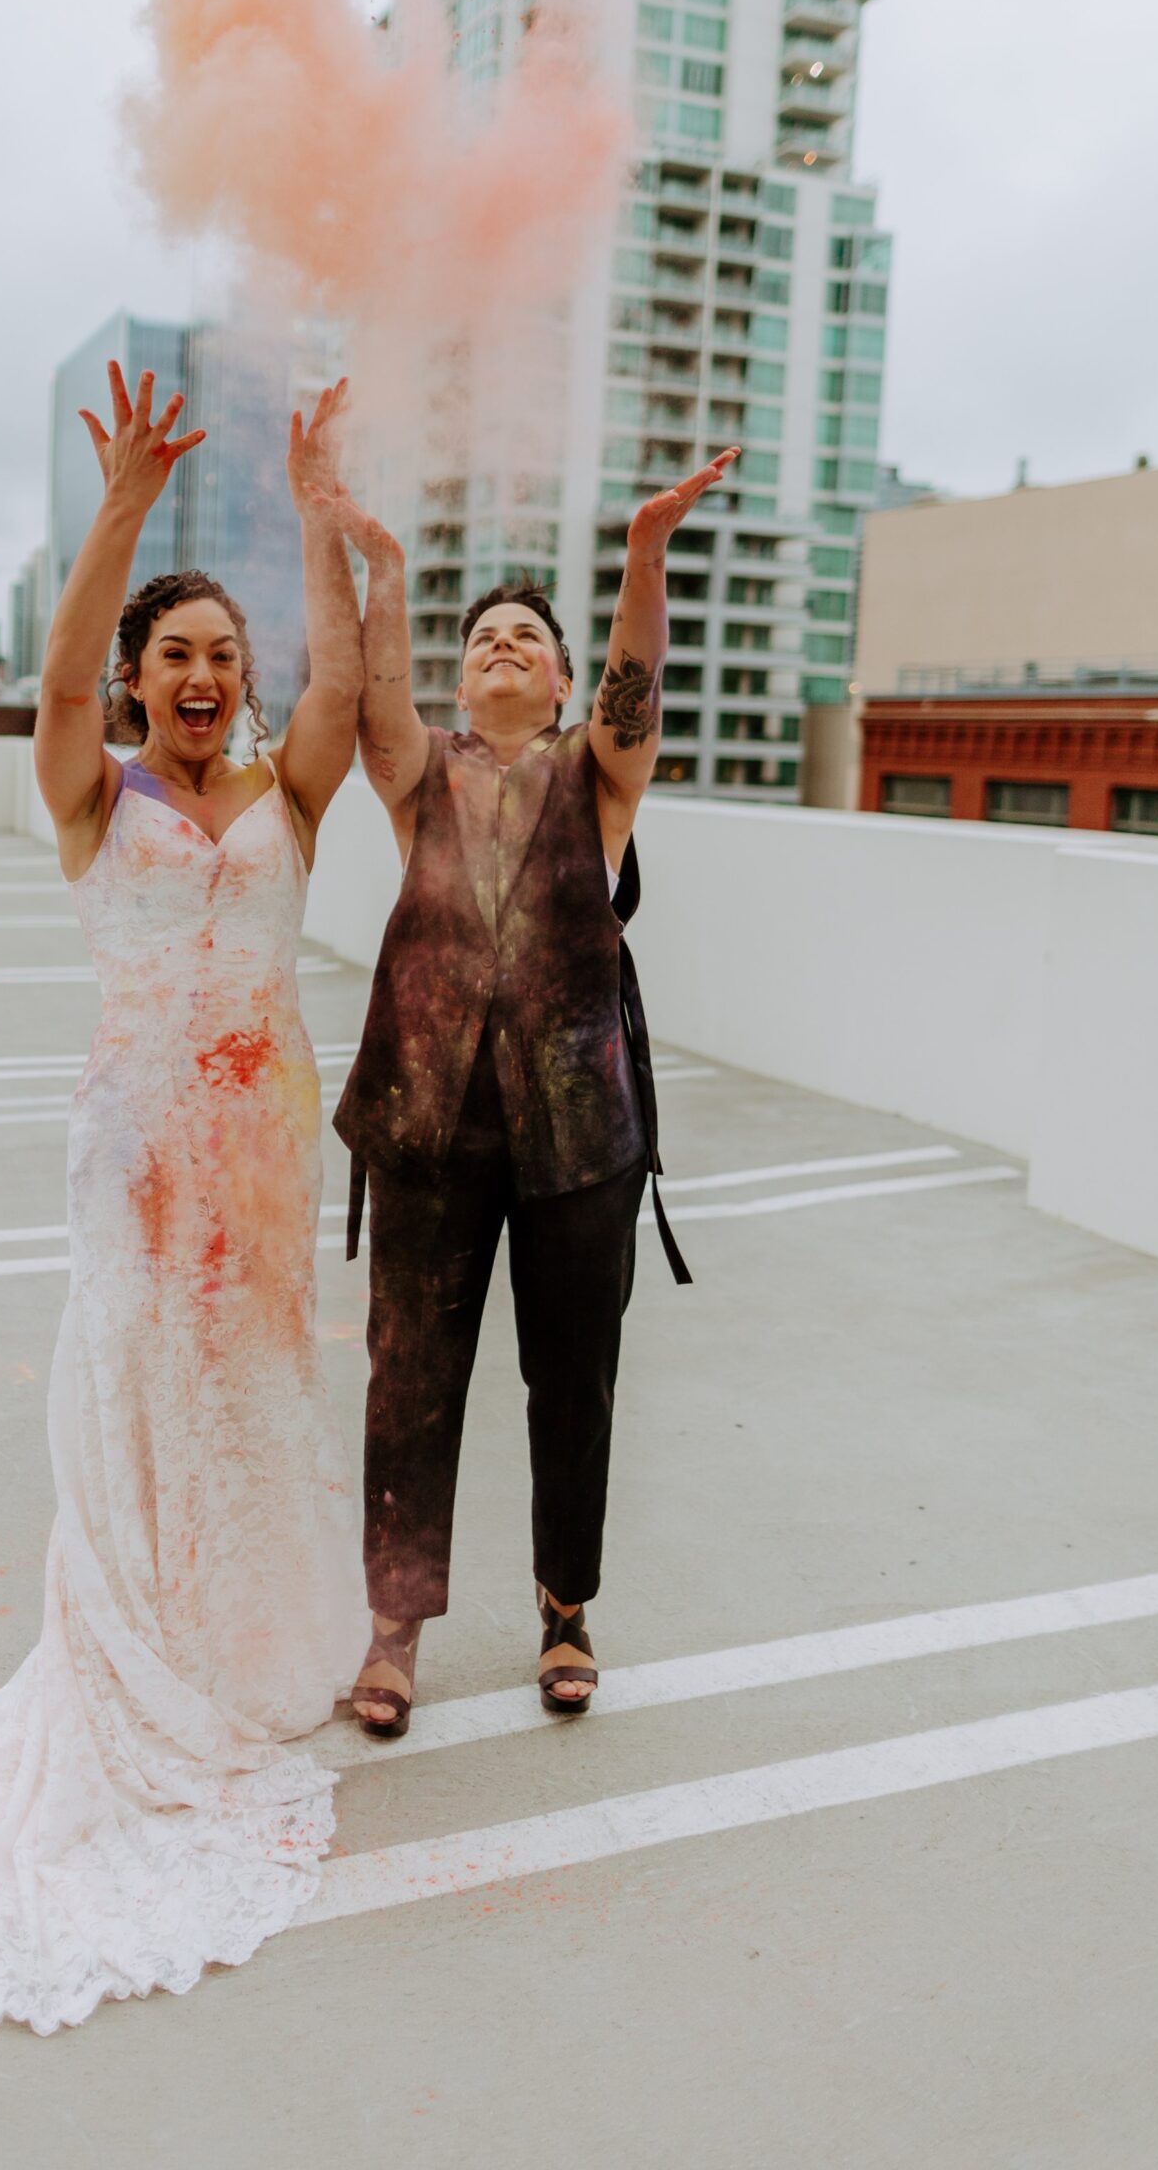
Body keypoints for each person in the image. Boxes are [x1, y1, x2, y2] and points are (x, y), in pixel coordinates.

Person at [0, 363, 370, 2030]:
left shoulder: (289, 791)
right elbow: (65, 673)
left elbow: (348, 673)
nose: (207, 678)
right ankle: (140, 1656)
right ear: (140, 683)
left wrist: (312, 511)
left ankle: (240, 1642)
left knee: (250, 1382)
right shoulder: (96, 795)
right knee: (136, 1379)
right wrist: (124, 512)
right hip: (136, 1145)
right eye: (182, 656)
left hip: (266, 1140)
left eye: (224, 658)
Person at [311, 451, 736, 1736]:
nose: (505, 645)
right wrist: (382, 567)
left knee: (576, 1378)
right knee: (411, 1374)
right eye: (485, 635)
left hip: (576, 1133)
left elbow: (639, 679)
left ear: (560, 682)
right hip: (429, 1124)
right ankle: (394, 1628)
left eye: (528, 638)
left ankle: (564, 1605)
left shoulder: (597, 776)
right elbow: (370, 699)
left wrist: (648, 550)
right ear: (459, 679)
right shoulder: (418, 772)